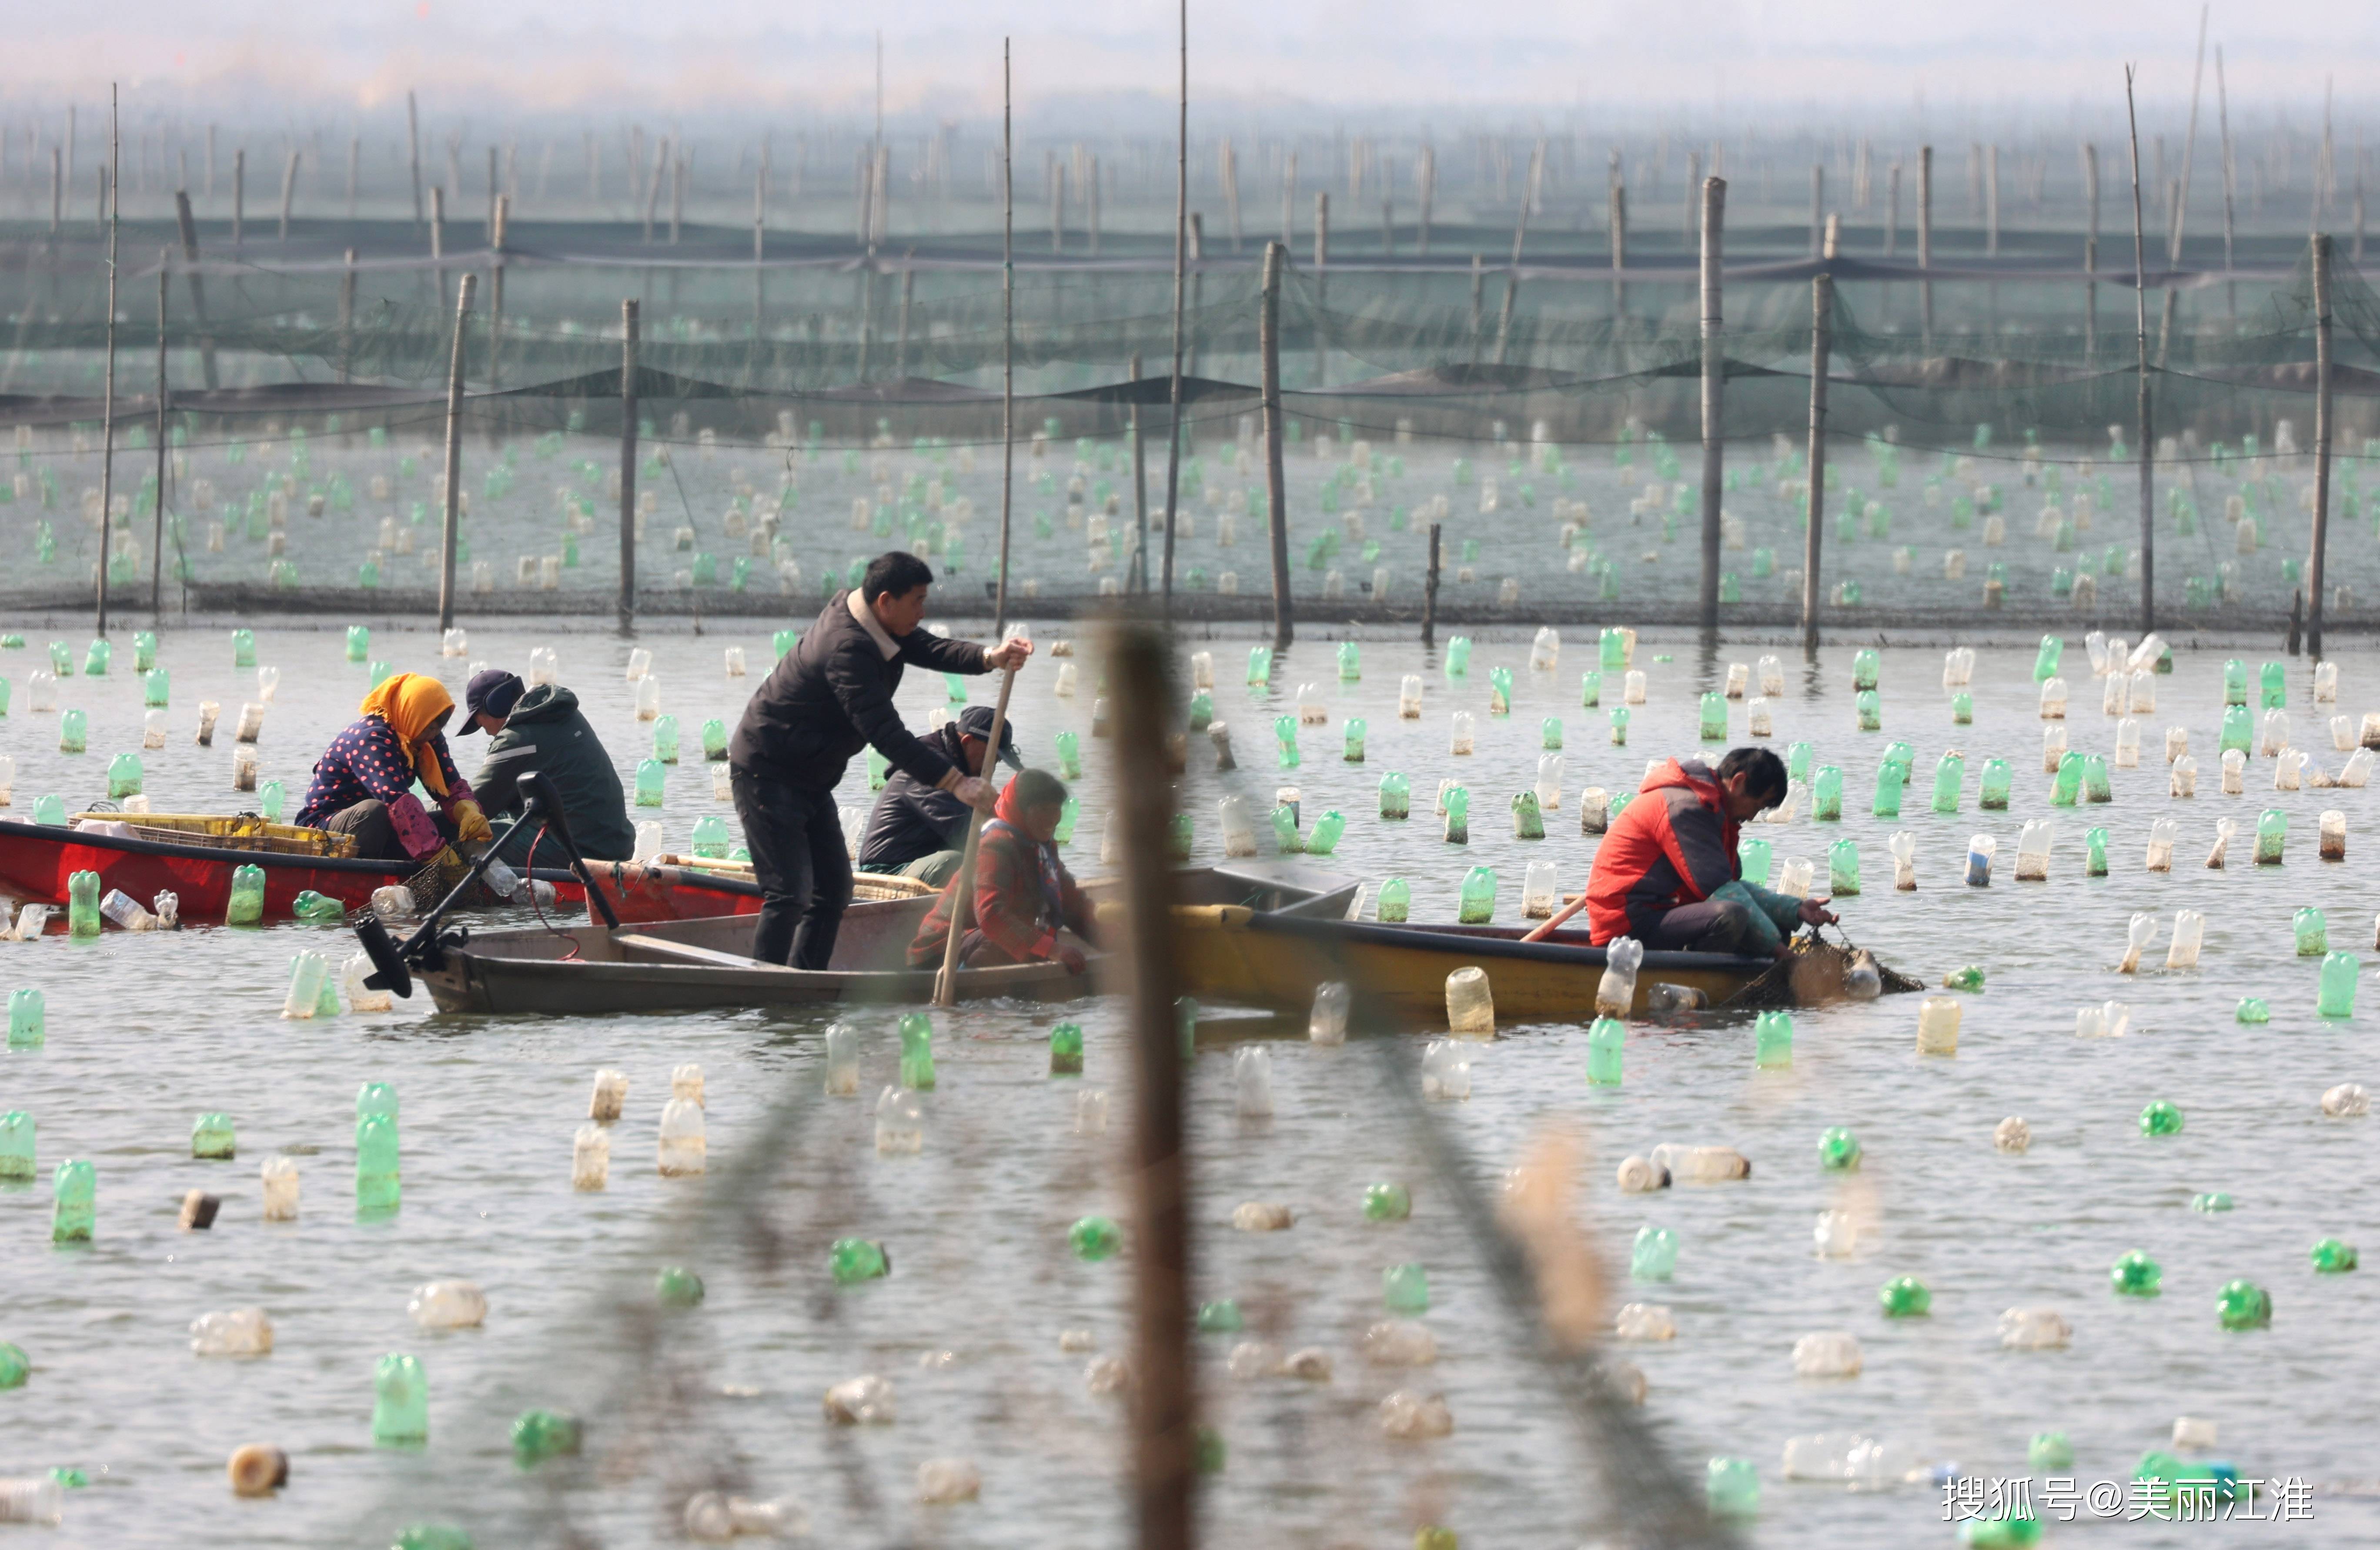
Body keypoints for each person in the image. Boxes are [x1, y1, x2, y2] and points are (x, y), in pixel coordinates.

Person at [729, 551, 1032, 969]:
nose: (922, 612)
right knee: (789, 893)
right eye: (918, 602)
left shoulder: (875, 620)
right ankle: (766, 990)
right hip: (768, 771)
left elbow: (928, 647)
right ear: (886, 601)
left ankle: (803, 982)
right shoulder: (847, 649)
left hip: (811, 778)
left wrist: (989, 658)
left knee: (834, 891)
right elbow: (885, 732)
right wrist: (955, 782)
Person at [1584, 746, 1836, 958]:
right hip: (1628, 924)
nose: (1751, 817)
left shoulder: (1712, 809)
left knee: (1775, 926)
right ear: (1738, 783)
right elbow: (1720, 891)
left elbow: (1733, 885)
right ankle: (1695, 981)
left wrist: (1793, 909)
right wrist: (1785, 956)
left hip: (1660, 911)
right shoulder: (1686, 809)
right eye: (1757, 807)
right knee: (1730, 916)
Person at [297, 672, 493, 872]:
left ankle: (458, 874)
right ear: (412, 714)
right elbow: (396, 800)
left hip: (384, 828)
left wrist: (469, 811)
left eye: (437, 729)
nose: (432, 735)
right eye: (429, 728)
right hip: (327, 828)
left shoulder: (424, 737)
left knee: (455, 824)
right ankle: (365, 876)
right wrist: (436, 854)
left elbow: (450, 786)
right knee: (373, 811)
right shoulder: (372, 737)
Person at [906, 767, 1097, 973]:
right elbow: (991, 916)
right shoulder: (996, 844)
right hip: (941, 952)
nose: (1052, 819)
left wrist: (1118, 942)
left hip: (976, 942)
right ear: (1021, 810)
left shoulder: (1043, 849)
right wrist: (1053, 949)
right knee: (1005, 940)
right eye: (1043, 809)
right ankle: (971, 991)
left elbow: (1071, 904)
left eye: (1055, 810)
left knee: (1031, 940)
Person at [455, 668, 638, 869]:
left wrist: (421, 824)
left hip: (581, 852)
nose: (487, 733)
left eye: (480, 723)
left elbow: (473, 805)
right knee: (498, 815)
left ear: (494, 706)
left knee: (469, 834)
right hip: (616, 845)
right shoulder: (562, 715)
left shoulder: (518, 738)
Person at [856, 703, 1024, 885]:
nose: (991, 769)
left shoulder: (962, 777)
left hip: (922, 865)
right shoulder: (928, 771)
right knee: (955, 861)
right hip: (888, 872)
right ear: (967, 742)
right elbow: (966, 833)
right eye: (991, 759)